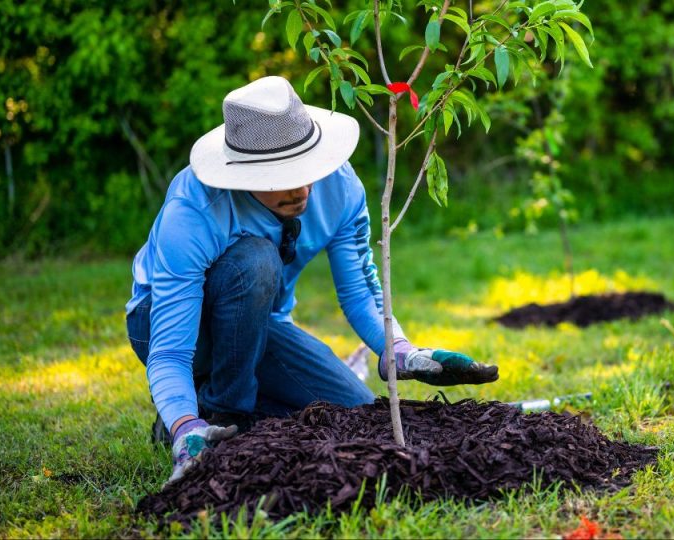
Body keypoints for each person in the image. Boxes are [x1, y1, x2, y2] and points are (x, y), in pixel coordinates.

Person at [125, 76, 498, 483]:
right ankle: (212, 416)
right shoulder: (195, 211)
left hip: (259, 326)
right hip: (169, 326)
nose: (302, 187)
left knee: (353, 411)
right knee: (256, 260)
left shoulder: (339, 187)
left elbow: (360, 290)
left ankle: (214, 407)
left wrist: (400, 351)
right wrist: (184, 426)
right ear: (243, 175)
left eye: (307, 168)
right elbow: (170, 350)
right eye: (281, 175)